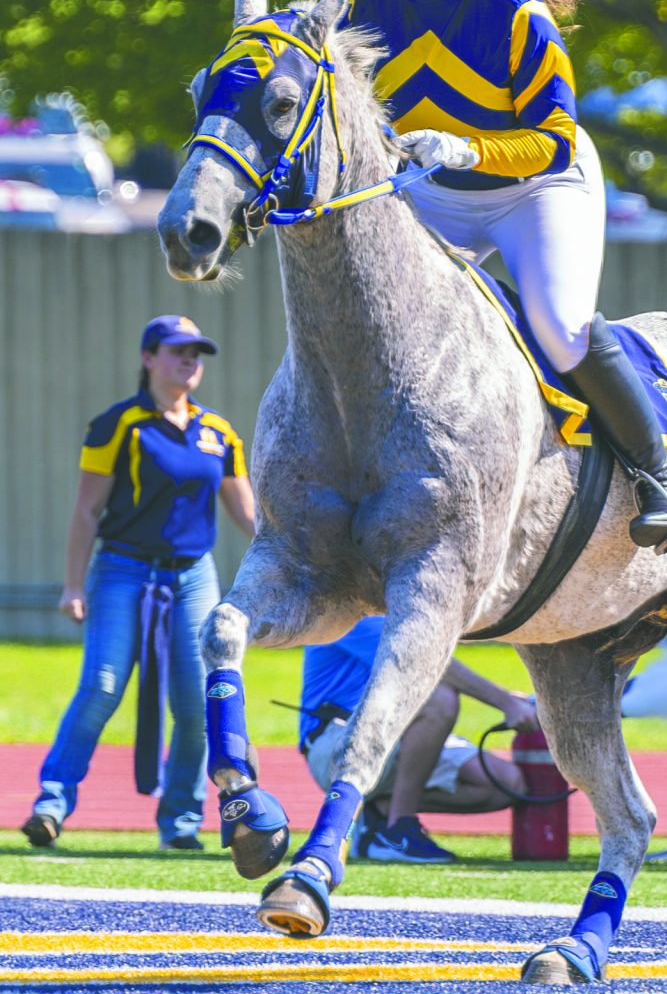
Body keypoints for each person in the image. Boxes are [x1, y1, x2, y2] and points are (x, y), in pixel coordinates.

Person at [345, 0, 667, 554]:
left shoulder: (516, 16)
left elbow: (556, 140)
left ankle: (661, 477)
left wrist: (471, 149)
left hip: (536, 187)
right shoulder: (368, 8)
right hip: (437, 190)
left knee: (559, 325)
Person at [21, 315, 255, 852]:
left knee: (198, 703)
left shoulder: (219, 432)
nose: (189, 360)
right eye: (177, 351)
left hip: (194, 574)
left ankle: (181, 822)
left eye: (196, 352)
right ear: (148, 358)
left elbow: (248, 514)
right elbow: (86, 510)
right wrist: (73, 586)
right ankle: (51, 805)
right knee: (101, 687)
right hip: (123, 569)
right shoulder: (118, 424)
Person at [300, 616, 540, 862]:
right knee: (439, 700)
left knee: (506, 785)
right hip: (336, 742)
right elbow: (423, 662)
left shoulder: (393, 608)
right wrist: (507, 703)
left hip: (392, 733)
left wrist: (511, 699)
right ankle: (398, 829)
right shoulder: (352, 613)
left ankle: (376, 817)